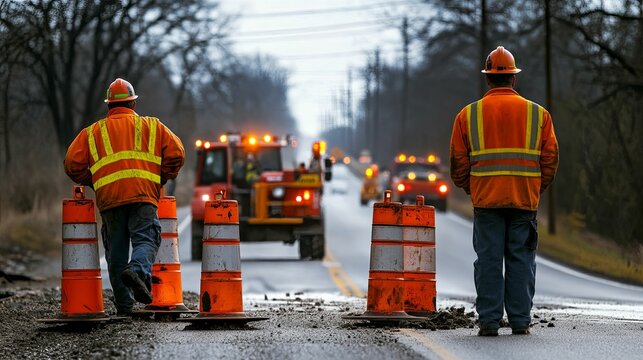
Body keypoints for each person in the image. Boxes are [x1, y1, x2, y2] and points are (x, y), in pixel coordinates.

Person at [449, 46, 559, 336]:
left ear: (488, 79)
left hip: (487, 200)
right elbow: (550, 160)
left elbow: (458, 163)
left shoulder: (467, 115)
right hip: (524, 200)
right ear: (513, 78)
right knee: (521, 260)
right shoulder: (539, 114)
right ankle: (520, 321)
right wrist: (535, 187)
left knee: (488, 261)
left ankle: (488, 322)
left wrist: (471, 187)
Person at [64, 78, 185, 315]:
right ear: (133, 104)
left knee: (116, 252)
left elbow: (71, 164)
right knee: (145, 239)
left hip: (109, 199)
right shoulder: (153, 126)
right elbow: (177, 153)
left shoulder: (92, 132)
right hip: (143, 195)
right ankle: (138, 271)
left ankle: (125, 307)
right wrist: (161, 176)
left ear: (108, 106)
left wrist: (95, 181)